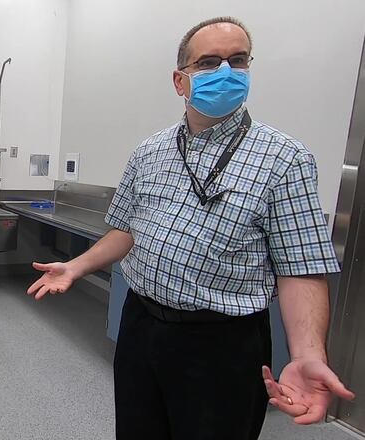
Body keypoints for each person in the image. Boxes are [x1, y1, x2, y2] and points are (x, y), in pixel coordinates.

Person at [26, 16, 355, 440]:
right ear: (180, 81)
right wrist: (75, 267)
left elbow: (300, 267)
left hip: (222, 344)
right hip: (141, 325)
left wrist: (308, 352)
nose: (225, 73)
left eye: (237, 61)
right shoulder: (150, 151)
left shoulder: (285, 159)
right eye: (209, 62)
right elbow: (126, 230)